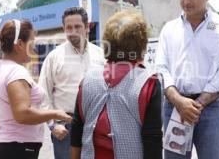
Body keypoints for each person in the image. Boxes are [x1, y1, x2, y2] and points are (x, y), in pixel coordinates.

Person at [156, 0, 219, 159]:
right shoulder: (169, 29)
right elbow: (161, 68)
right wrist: (179, 101)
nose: (186, 1)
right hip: (175, 109)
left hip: (210, 111)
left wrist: (196, 104)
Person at [70, 11, 163, 159]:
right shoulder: (149, 83)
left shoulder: (88, 79)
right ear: (142, 44)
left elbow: (77, 128)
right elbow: (153, 139)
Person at [0, 19, 72, 159]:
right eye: (32, 42)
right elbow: (23, 114)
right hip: (16, 149)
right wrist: (55, 114)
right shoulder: (16, 72)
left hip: (7, 146)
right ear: (19, 44)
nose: (34, 48)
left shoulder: (0, 68)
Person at [39, 7, 104, 159]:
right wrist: (52, 125)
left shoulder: (100, 55)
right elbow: (43, 95)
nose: (73, 31)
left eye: (77, 26)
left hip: (96, 127)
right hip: (65, 129)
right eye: (68, 27)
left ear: (87, 27)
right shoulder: (54, 57)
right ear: (63, 28)